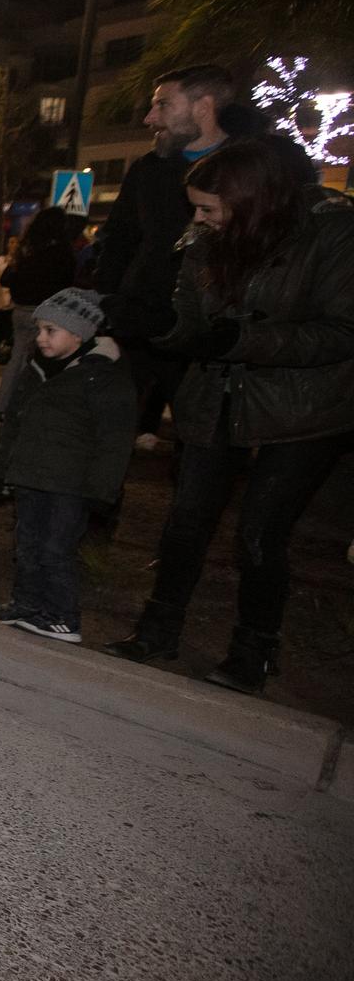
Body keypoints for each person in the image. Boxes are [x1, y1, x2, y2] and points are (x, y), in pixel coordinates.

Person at [104, 142, 354, 692]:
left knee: (260, 534)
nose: (198, 219)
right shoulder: (206, 241)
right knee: (186, 520)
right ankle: (157, 629)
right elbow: (193, 323)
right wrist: (156, 325)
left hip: (304, 407)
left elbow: (341, 331)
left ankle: (253, 652)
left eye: (209, 208)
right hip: (218, 393)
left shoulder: (333, 232)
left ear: (255, 200)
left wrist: (245, 338)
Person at [0, 289, 136, 644]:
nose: (40, 338)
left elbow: (114, 440)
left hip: (70, 484)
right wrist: (3, 471)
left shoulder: (102, 376)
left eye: (51, 330)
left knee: (56, 549)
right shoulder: (37, 369)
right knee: (27, 544)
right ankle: (27, 604)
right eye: (39, 330)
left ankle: (63, 616)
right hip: (30, 475)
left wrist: (102, 489)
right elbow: (15, 423)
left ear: (79, 332)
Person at [96, 64, 235, 447]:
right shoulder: (146, 169)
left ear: (202, 107)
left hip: (209, 333)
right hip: (137, 321)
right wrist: (105, 301)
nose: (149, 118)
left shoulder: (249, 167)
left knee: (203, 444)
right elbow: (119, 239)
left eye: (162, 105)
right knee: (106, 430)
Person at [0, 208, 78, 417]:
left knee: (18, 357)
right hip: (46, 312)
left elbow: (6, 278)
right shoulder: (61, 253)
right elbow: (68, 283)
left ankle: (3, 407)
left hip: (20, 309)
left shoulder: (26, 250)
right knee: (38, 361)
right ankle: (24, 408)